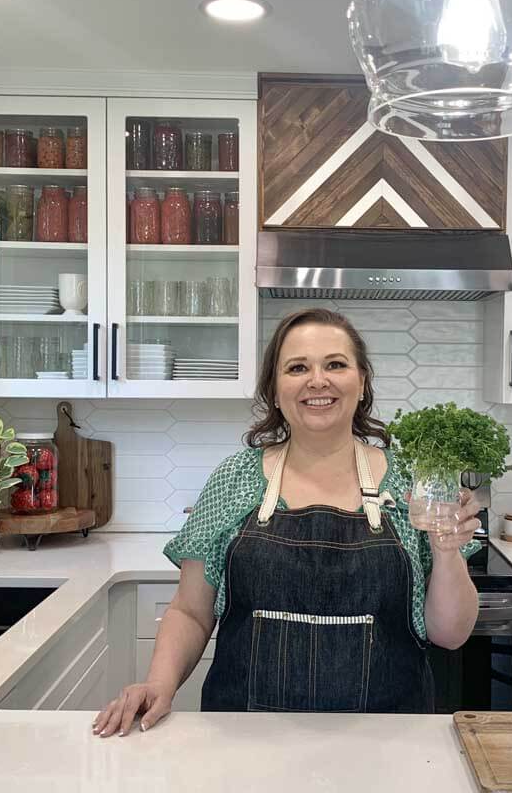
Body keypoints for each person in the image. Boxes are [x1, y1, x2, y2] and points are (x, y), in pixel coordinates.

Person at [93, 308, 480, 737]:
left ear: (362, 381)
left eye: (335, 364)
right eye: (298, 367)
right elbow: (190, 611)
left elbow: (450, 634)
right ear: (275, 390)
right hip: (245, 738)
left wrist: (448, 553)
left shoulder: (411, 480)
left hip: (390, 740)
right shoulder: (235, 479)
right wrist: (158, 684)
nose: (318, 380)